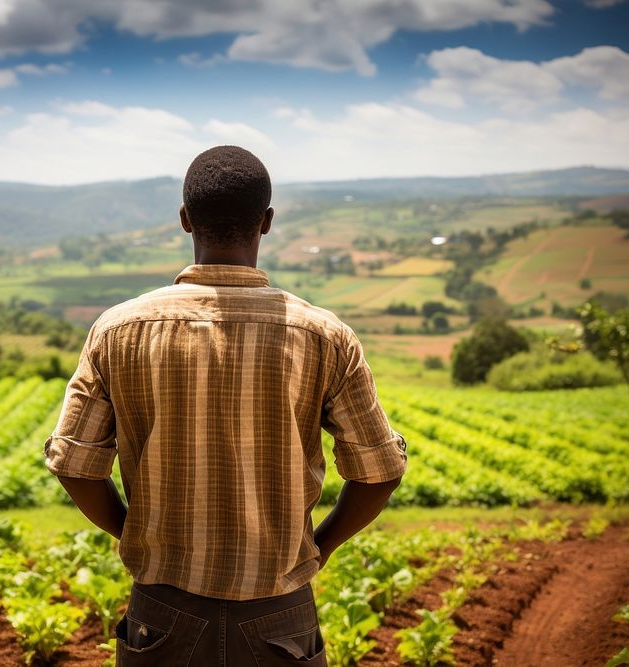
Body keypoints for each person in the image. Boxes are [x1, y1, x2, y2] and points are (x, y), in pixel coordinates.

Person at [45, 145, 407, 666]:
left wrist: (134, 532)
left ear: (186, 220)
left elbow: (75, 466)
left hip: (161, 614)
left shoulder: (117, 331)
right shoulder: (324, 336)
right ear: (266, 223)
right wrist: (317, 550)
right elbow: (379, 473)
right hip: (281, 615)